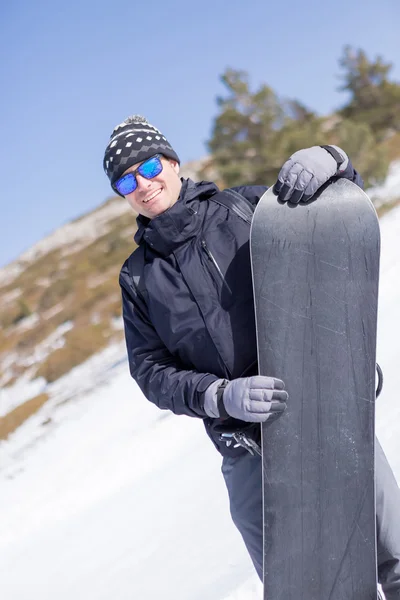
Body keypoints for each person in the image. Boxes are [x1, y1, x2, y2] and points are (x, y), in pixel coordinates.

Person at [103, 115, 400, 598]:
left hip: (327, 410)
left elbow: (338, 216)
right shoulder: (138, 277)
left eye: (149, 165)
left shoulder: (246, 207)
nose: (142, 183)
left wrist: (333, 161)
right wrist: (220, 396)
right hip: (244, 445)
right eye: (125, 179)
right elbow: (150, 372)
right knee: (300, 586)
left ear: (174, 163)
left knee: (393, 550)